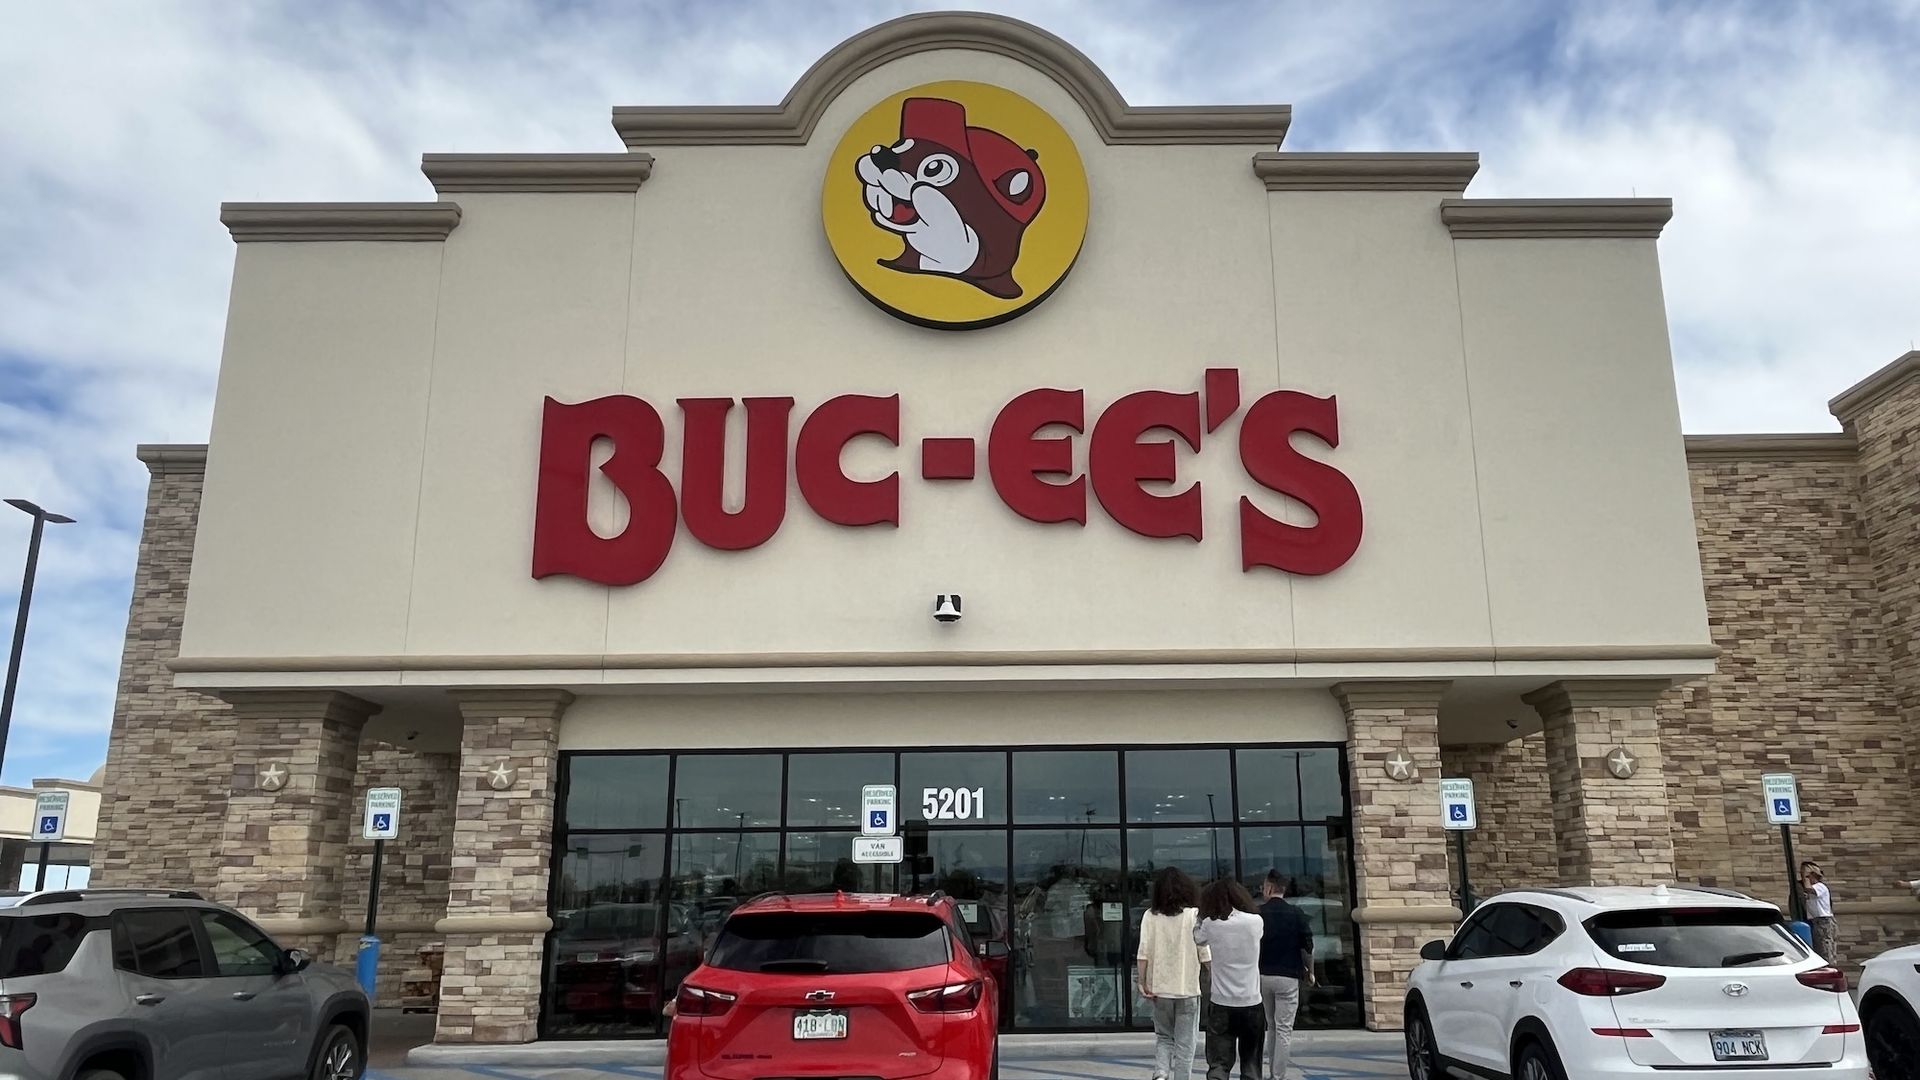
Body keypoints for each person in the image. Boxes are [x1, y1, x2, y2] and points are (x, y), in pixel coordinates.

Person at [1138, 867, 1207, 1080]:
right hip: (1187, 990)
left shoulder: (1150, 916)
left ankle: (1160, 1074)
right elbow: (1204, 952)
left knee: (1164, 1038)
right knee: (1185, 1045)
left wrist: (1142, 982)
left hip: (1160, 989)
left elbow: (1143, 952)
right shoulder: (1194, 915)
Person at [1194, 878, 1266, 1080]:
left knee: (1219, 1064)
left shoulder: (1210, 924)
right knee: (1251, 1065)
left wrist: (1200, 916)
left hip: (1221, 1002)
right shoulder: (1255, 922)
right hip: (1251, 1001)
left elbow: (1197, 938)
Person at [1256, 872, 1313, 1080]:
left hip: (1263, 976)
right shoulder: (1296, 913)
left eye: (1263, 887)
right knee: (1284, 1029)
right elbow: (1307, 947)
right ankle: (1278, 1075)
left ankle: (1271, 1071)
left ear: (1270, 888)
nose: (1262, 891)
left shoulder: (1258, 914)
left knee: (1271, 1025)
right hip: (1288, 976)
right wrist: (1310, 972)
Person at [1800, 862, 1836, 963]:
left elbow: (1808, 888)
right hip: (1816, 921)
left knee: (1825, 948)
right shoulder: (1812, 891)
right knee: (1819, 948)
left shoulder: (1820, 886)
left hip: (1823, 921)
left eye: (1809, 876)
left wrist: (1805, 876)